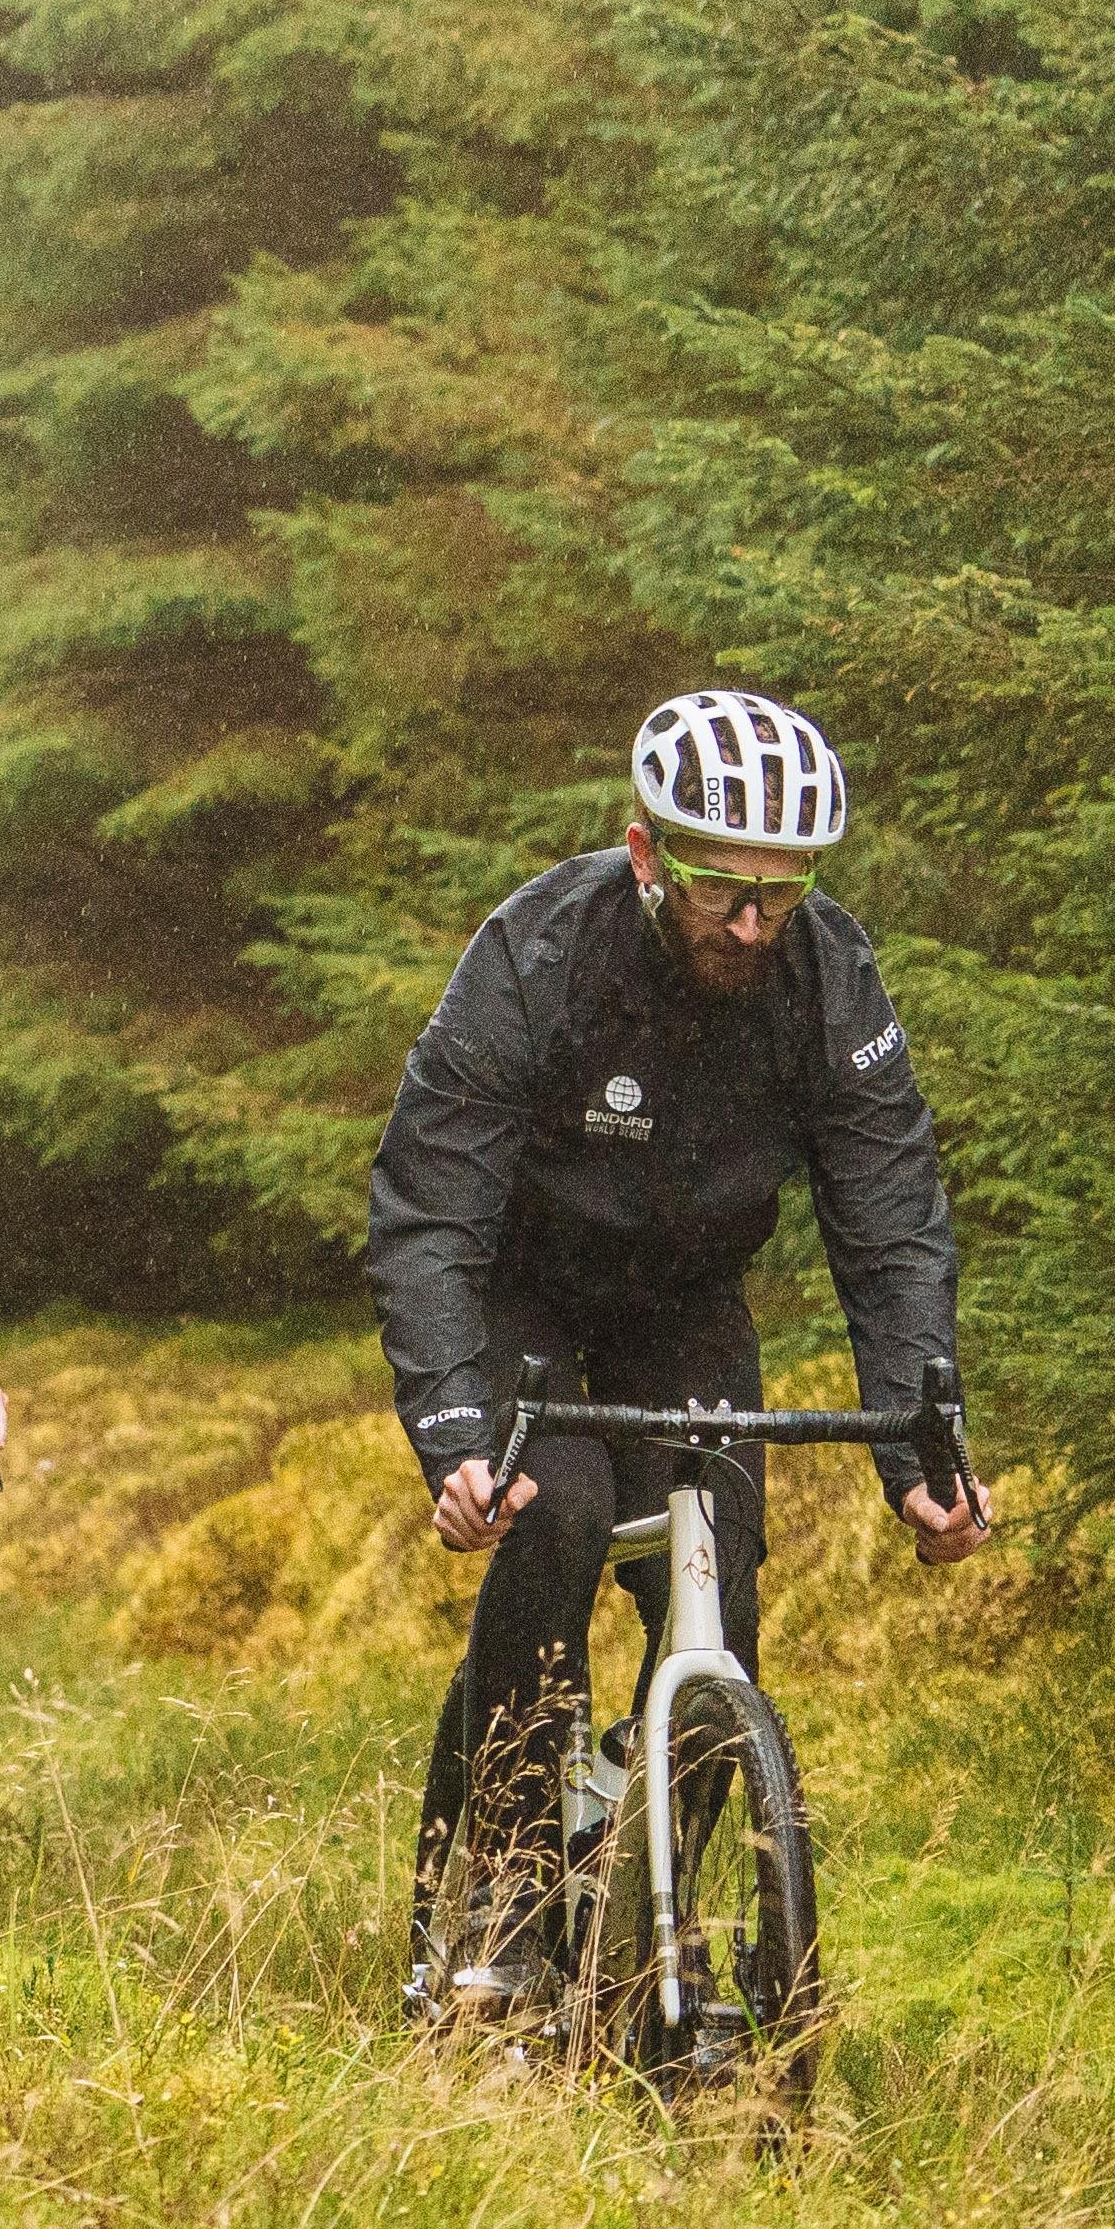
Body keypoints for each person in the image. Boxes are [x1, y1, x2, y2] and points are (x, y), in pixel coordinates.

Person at [365, 687, 988, 2030]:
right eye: (719, 891)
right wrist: (455, 1439)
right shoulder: (537, 953)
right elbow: (429, 1212)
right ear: (646, 852)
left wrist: (918, 1450)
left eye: (782, 892)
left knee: (725, 1589)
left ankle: (656, 1915)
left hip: (686, 1302)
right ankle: (511, 1888)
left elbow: (887, 1219)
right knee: (566, 1509)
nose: (753, 925)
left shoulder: (829, 976)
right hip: (524, 1298)